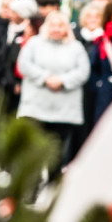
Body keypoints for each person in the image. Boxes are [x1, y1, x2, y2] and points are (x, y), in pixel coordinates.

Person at [15, 11, 90, 178]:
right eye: (53, 25)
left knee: (56, 155)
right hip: (36, 107)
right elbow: (23, 65)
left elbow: (83, 71)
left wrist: (62, 81)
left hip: (63, 110)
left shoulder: (76, 47)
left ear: (66, 28)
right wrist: (45, 78)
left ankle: (52, 192)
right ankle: (28, 191)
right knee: (32, 151)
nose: (56, 29)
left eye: (60, 26)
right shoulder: (34, 44)